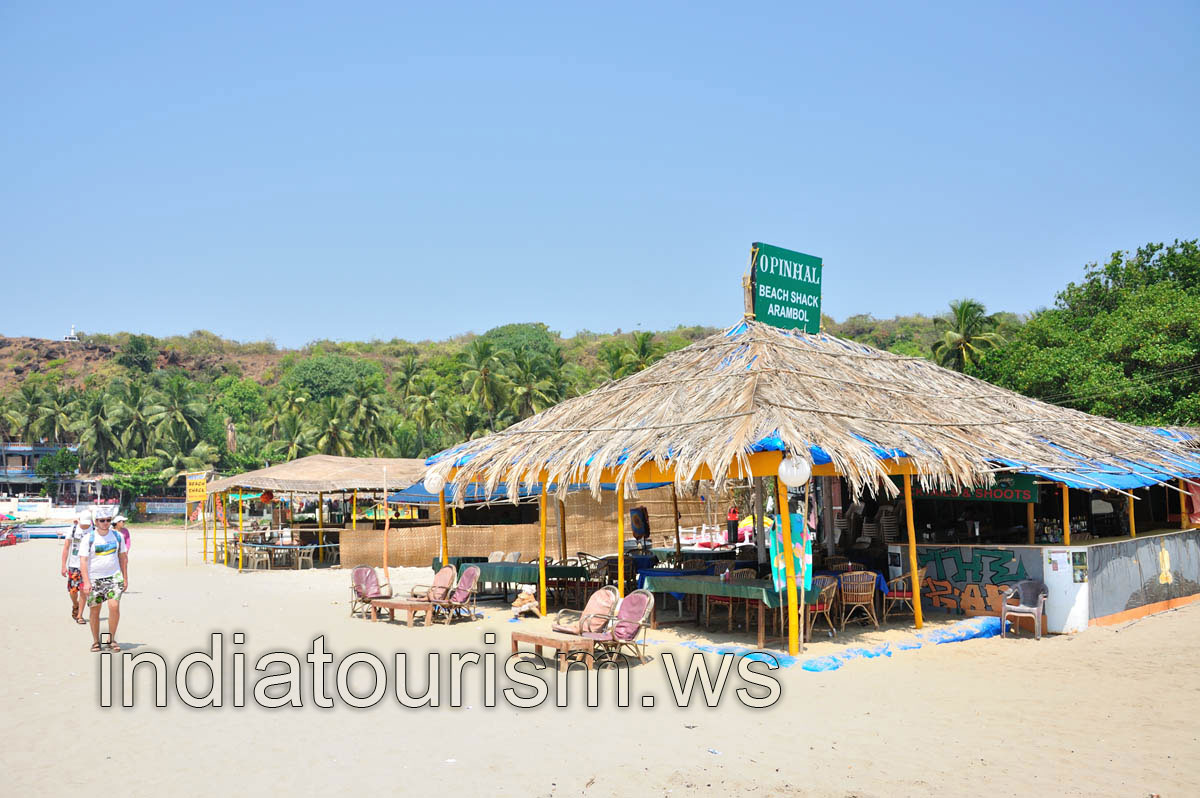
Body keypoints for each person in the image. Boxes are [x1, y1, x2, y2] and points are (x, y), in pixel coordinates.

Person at [79, 510, 129, 652]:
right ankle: (96, 641)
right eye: (102, 520)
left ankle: (111, 639)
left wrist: (125, 578)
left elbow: (123, 558)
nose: (105, 523)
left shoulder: (118, 536)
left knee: (114, 607)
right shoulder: (89, 538)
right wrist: (86, 582)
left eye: (108, 520)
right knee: (95, 611)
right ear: (96, 522)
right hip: (95, 578)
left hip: (114, 577)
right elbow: (83, 561)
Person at [60, 511, 92, 625]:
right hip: (73, 565)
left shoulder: (93, 530)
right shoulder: (73, 529)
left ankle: (80, 615)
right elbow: (66, 547)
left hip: (88, 566)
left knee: (84, 591)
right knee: (73, 591)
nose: (85, 526)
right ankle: (75, 604)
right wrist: (63, 565)